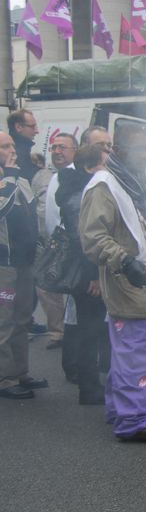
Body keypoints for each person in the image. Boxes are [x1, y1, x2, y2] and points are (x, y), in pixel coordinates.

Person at [79, 124, 146, 439]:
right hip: (125, 276)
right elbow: (92, 237)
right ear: (117, 150)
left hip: (143, 272)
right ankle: (133, 420)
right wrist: (124, 260)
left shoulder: (132, 180)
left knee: (126, 349)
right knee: (134, 349)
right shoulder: (104, 184)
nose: (144, 155)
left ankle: (120, 408)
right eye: (137, 149)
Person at [57, 143, 110, 405]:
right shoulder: (82, 192)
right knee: (89, 329)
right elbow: (84, 238)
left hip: (88, 269)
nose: (107, 168)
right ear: (90, 167)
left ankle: (91, 383)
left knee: (92, 326)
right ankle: (89, 388)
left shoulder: (82, 186)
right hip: (87, 272)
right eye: (103, 163)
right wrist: (93, 275)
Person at [0, 131, 47, 400]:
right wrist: (8, 174)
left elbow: (31, 213)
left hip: (24, 261)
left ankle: (20, 372)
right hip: (3, 263)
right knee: (4, 323)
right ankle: (4, 379)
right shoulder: (7, 179)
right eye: (5, 147)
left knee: (22, 320)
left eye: (11, 145)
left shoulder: (18, 177)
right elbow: (2, 207)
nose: (12, 150)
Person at [32, 132, 78, 350]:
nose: (57, 151)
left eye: (63, 147)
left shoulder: (75, 174)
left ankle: (69, 332)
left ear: (75, 151)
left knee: (71, 289)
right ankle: (59, 332)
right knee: (47, 287)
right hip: (52, 244)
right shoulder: (53, 175)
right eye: (54, 148)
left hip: (70, 242)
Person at [7, 110, 41, 183]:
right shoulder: (17, 152)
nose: (37, 131)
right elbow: (27, 176)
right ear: (18, 127)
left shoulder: (21, 149)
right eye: (32, 126)